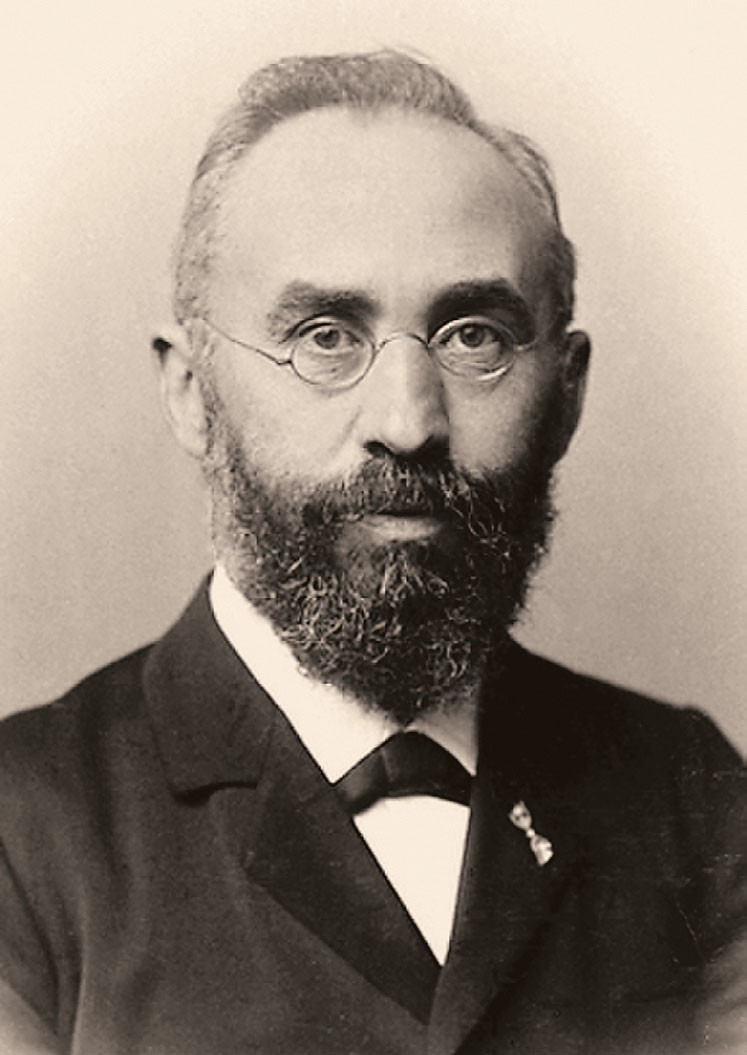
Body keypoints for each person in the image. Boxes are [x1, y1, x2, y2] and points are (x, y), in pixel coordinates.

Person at [0, 50, 744, 1055]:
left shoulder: (688, 799)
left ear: (565, 393)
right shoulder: (22, 831)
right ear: (191, 390)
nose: (407, 421)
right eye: (324, 336)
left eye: (474, 336)